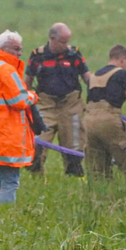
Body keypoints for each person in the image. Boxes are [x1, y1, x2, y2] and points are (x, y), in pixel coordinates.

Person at [0, 30, 39, 204]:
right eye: (16, 49)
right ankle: (5, 219)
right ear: (3, 49)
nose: (19, 53)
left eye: (20, 49)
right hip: (7, 137)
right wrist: (33, 95)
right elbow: (20, 100)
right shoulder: (6, 70)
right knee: (9, 182)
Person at [24, 22, 90, 176]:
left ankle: (74, 180)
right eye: (63, 42)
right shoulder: (37, 56)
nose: (66, 46)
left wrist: (98, 93)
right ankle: (37, 179)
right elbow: (27, 82)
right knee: (37, 145)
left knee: (74, 148)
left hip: (71, 105)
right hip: (45, 105)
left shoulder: (74, 54)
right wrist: (26, 102)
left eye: (68, 41)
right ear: (52, 39)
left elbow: (87, 78)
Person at [83, 44, 126, 178]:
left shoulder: (92, 77)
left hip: (89, 123)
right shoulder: (124, 74)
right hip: (110, 123)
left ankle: (99, 195)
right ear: (122, 59)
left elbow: (100, 110)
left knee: (97, 170)